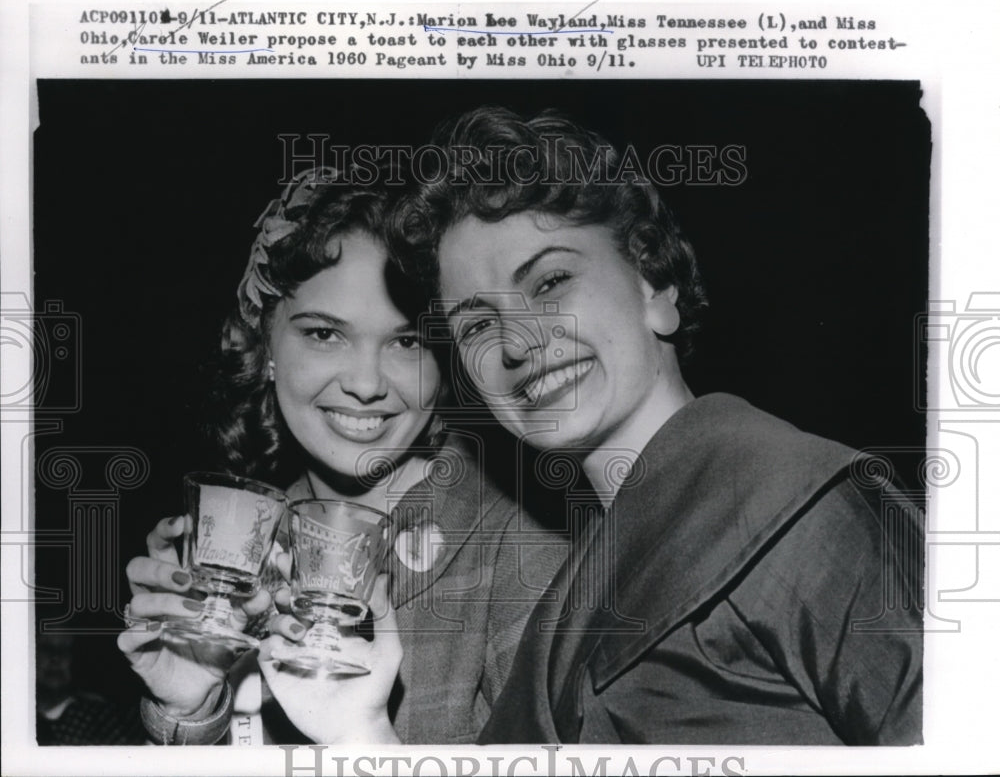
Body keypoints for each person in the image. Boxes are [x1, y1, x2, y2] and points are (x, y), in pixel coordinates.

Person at [390, 106, 924, 745]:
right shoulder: (567, 599)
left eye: (551, 281)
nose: (517, 342)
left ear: (656, 285)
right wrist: (360, 723)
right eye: (476, 325)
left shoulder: (802, 506)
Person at [117, 167, 567, 745]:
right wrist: (190, 711)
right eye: (324, 334)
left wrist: (367, 742)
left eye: (408, 342)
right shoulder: (237, 551)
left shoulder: (525, 544)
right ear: (266, 344)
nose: (364, 383)